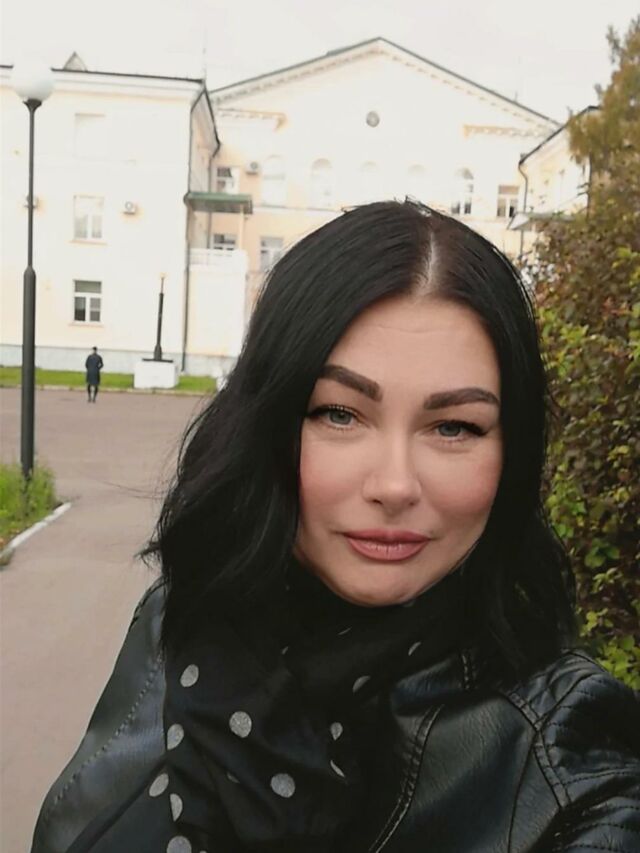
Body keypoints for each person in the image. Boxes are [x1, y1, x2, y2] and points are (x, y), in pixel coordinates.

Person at [32, 202, 639, 853]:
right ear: (264, 424)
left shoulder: (569, 758)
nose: (395, 485)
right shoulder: (184, 618)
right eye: (340, 414)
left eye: (454, 426)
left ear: (511, 454)